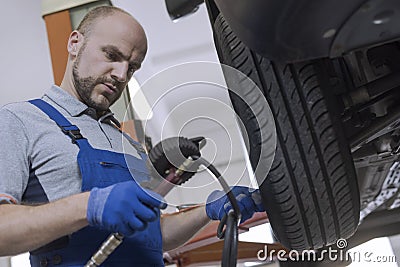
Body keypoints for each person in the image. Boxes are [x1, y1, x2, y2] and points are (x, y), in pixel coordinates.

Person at [0, 6, 265, 266]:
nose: (121, 74)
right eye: (112, 55)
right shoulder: (21, 120)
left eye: (133, 67)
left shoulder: (129, 144)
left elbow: (153, 235)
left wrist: (207, 211)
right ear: (74, 43)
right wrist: (89, 206)